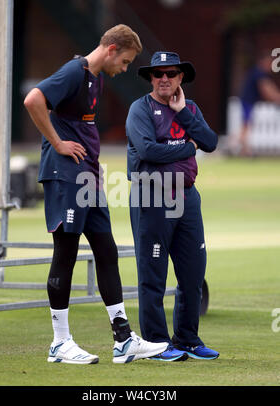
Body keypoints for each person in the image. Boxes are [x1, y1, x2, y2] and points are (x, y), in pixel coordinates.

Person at [24, 25, 169, 365]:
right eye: (126, 61)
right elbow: (34, 99)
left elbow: (81, 126)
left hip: (88, 179)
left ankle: (123, 340)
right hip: (65, 177)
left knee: (107, 250)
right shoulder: (75, 71)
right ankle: (60, 344)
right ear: (112, 49)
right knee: (66, 253)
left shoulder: (96, 79)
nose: (126, 68)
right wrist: (58, 143)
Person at [126, 51, 219, 361]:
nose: (163, 78)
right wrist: (187, 146)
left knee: (193, 272)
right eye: (157, 74)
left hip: (187, 196)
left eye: (170, 73)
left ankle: (188, 339)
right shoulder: (140, 109)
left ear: (181, 78)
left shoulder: (189, 108)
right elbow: (148, 150)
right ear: (151, 79)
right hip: (151, 196)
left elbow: (210, 141)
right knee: (152, 274)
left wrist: (183, 116)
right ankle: (155, 343)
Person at [237, 50, 280, 156]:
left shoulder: (257, 72)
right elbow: (267, 89)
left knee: (246, 124)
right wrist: (277, 98)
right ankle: (239, 147)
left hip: (249, 101)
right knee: (246, 125)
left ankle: (244, 149)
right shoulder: (259, 73)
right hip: (248, 101)